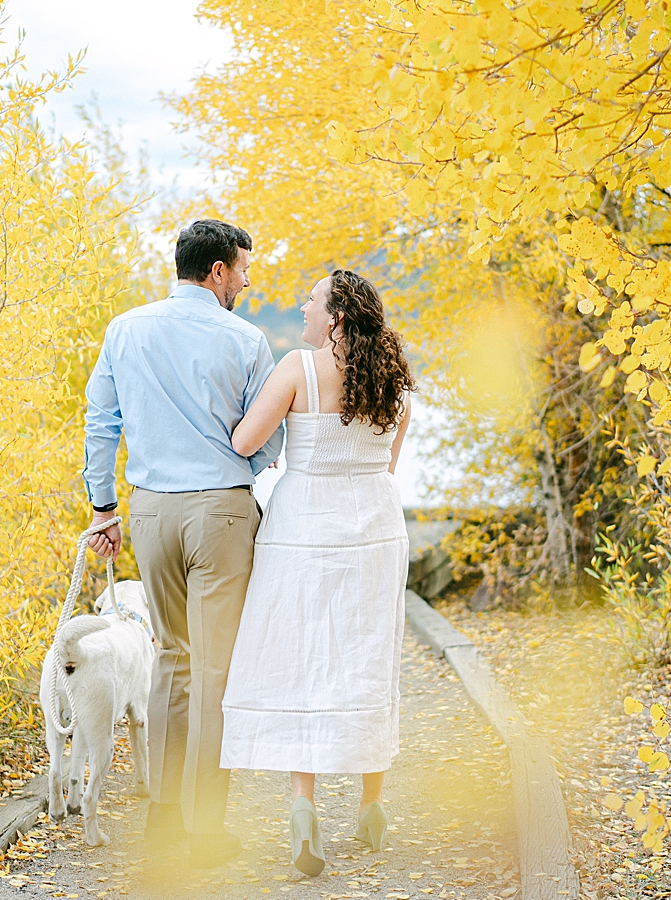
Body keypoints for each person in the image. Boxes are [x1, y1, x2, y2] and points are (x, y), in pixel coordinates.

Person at [82, 219, 284, 868]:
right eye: (244, 271)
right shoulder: (248, 340)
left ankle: (163, 819)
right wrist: (238, 478)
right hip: (221, 513)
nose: (247, 283)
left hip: (151, 514)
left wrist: (104, 507)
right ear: (218, 271)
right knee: (215, 672)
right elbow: (266, 439)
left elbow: (101, 421)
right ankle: (204, 830)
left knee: (171, 658)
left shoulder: (124, 329)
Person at [220, 269, 415, 877]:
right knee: (367, 655)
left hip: (305, 526)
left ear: (334, 317)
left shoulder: (298, 369)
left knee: (305, 658)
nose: (303, 308)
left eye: (311, 301)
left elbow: (246, 439)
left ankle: (304, 808)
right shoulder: (396, 382)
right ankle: (372, 805)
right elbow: (389, 464)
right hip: (376, 528)